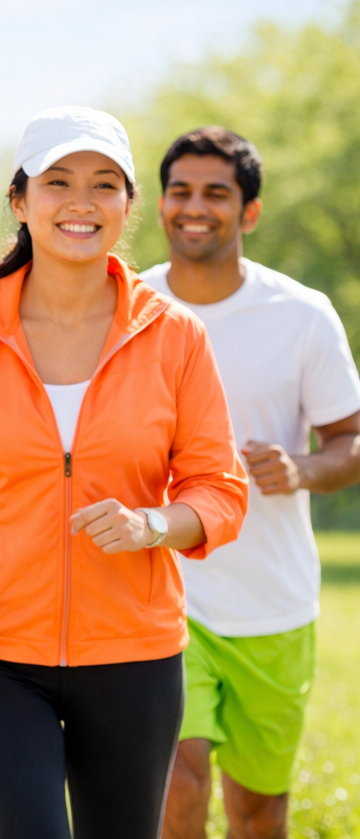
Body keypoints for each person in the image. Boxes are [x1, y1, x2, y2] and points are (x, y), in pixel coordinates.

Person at [0, 106, 249, 839]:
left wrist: (153, 524)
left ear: (127, 206)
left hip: (133, 656)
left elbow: (220, 490)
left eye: (104, 184)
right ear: (19, 202)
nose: (82, 201)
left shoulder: (175, 336)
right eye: (59, 181)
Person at [141, 128, 360, 839]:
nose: (194, 207)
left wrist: (302, 469)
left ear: (250, 212)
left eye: (216, 193)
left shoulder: (301, 315)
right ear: (161, 204)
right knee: (174, 780)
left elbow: (350, 440)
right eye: (180, 191)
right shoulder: (127, 308)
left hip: (272, 601)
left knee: (258, 811)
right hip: (161, 589)